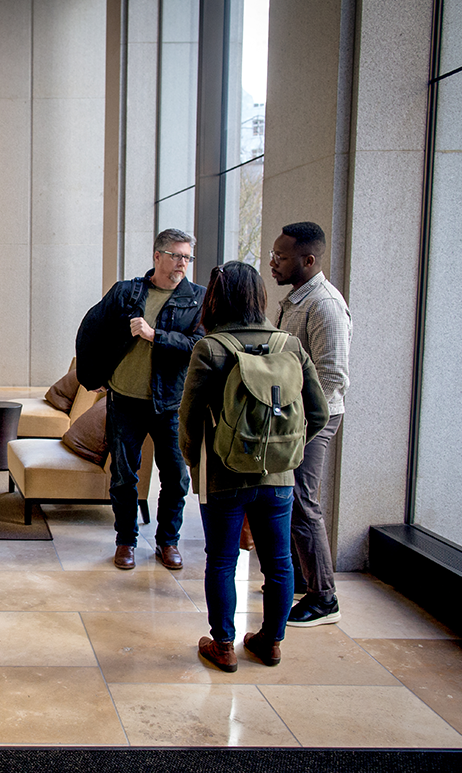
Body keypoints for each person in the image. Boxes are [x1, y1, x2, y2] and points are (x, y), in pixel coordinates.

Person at [179, 261, 328, 672]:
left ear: (215, 298)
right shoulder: (289, 346)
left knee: (222, 560)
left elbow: (188, 421)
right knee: (279, 561)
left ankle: (223, 646)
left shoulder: (210, 347)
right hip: (278, 477)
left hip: (223, 476)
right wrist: (285, 453)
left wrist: (196, 467)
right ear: (259, 296)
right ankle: (271, 643)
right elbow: (318, 411)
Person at [75, 228, 205, 571]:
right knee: (123, 476)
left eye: (187, 258)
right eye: (176, 256)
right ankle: (125, 541)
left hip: (172, 404)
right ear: (157, 256)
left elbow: (199, 347)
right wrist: (96, 377)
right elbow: (92, 329)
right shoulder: (127, 292)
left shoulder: (198, 299)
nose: (182, 264)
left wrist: (155, 335)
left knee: (176, 476)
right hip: (126, 401)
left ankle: (168, 542)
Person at [270, 222, 353, 627]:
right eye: (273, 254)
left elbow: (333, 375)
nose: (273, 262)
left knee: (303, 502)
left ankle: (324, 598)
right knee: (292, 498)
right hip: (294, 416)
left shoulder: (324, 304)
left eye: (281, 257)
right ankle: (303, 579)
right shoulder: (295, 299)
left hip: (315, 418)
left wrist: (297, 414)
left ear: (308, 260)